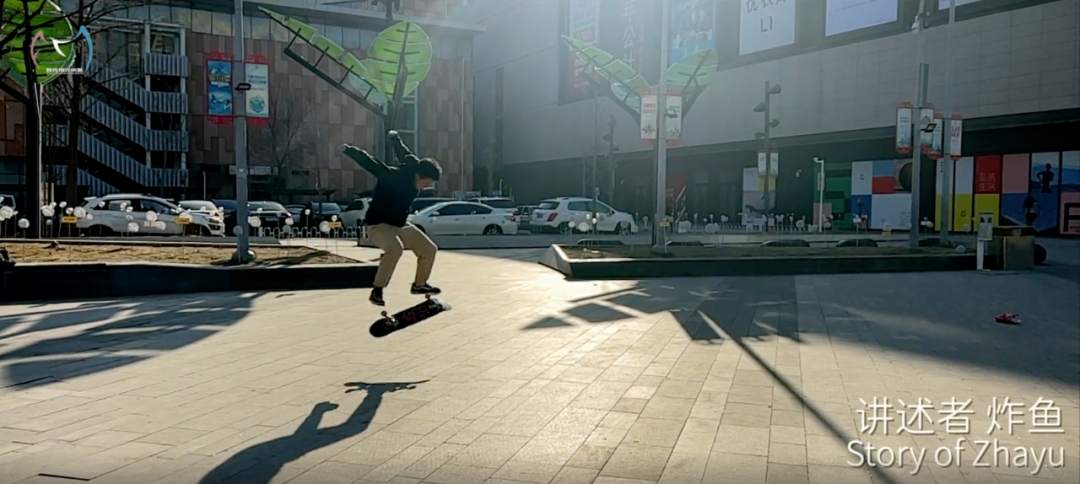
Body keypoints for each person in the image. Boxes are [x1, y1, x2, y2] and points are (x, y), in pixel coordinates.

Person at [341, 131, 442, 307]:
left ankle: (419, 285)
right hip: (378, 224)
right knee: (395, 249)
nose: (428, 187)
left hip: (400, 224)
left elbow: (403, 151)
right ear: (418, 176)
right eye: (427, 183)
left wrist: (395, 138)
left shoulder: (415, 164)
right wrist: (350, 150)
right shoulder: (392, 176)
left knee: (429, 249)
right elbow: (372, 164)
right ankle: (377, 290)